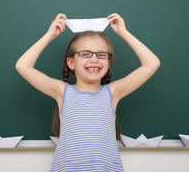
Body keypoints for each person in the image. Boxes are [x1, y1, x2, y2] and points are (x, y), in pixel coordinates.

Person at [16, 13, 160, 172]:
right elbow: (23, 66)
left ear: (108, 63)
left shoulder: (112, 93)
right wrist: (50, 35)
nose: (94, 60)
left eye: (102, 55)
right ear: (71, 62)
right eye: (85, 54)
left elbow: (152, 63)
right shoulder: (62, 92)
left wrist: (123, 32)